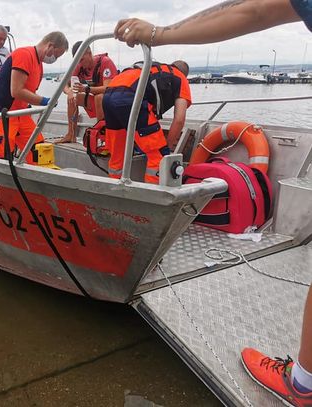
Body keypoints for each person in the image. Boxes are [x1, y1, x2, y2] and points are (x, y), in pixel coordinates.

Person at [114, 1, 312, 405]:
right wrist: (168, 148)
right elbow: (181, 119)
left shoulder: (142, 71)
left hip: (114, 105)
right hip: (133, 108)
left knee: (131, 154)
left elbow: (252, 10)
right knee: (153, 158)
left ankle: (304, 383)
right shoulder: (178, 82)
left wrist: (158, 33)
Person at [102, 60, 191, 183]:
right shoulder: (180, 78)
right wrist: (168, 147)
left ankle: (114, 191)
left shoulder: (155, 69)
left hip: (108, 95)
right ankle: (151, 196)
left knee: (117, 155)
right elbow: (180, 119)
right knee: (158, 156)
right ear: (184, 74)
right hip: (131, 97)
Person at [0, 31, 69, 164]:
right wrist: (44, 101)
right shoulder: (24, 55)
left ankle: (40, 176)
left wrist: (43, 101)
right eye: (56, 55)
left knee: (40, 149)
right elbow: (17, 91)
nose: (54, 59)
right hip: (3, 113)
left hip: (21, 113)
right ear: (50, 46)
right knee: (4, 155)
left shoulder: (39, 65)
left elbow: (29, 92)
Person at [57, 41, 118, 143]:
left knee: (99, 97)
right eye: (78, 61)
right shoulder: (80, 66)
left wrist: (87, 89)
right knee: (73, 98)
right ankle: (71, 135)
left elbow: (109, 88)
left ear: (89, 54)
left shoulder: (105, 62)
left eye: (81, 60)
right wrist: (69, 92)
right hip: (95, 101)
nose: (80, 63)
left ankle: (102, 137)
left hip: (111, 103)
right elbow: (64, 84)